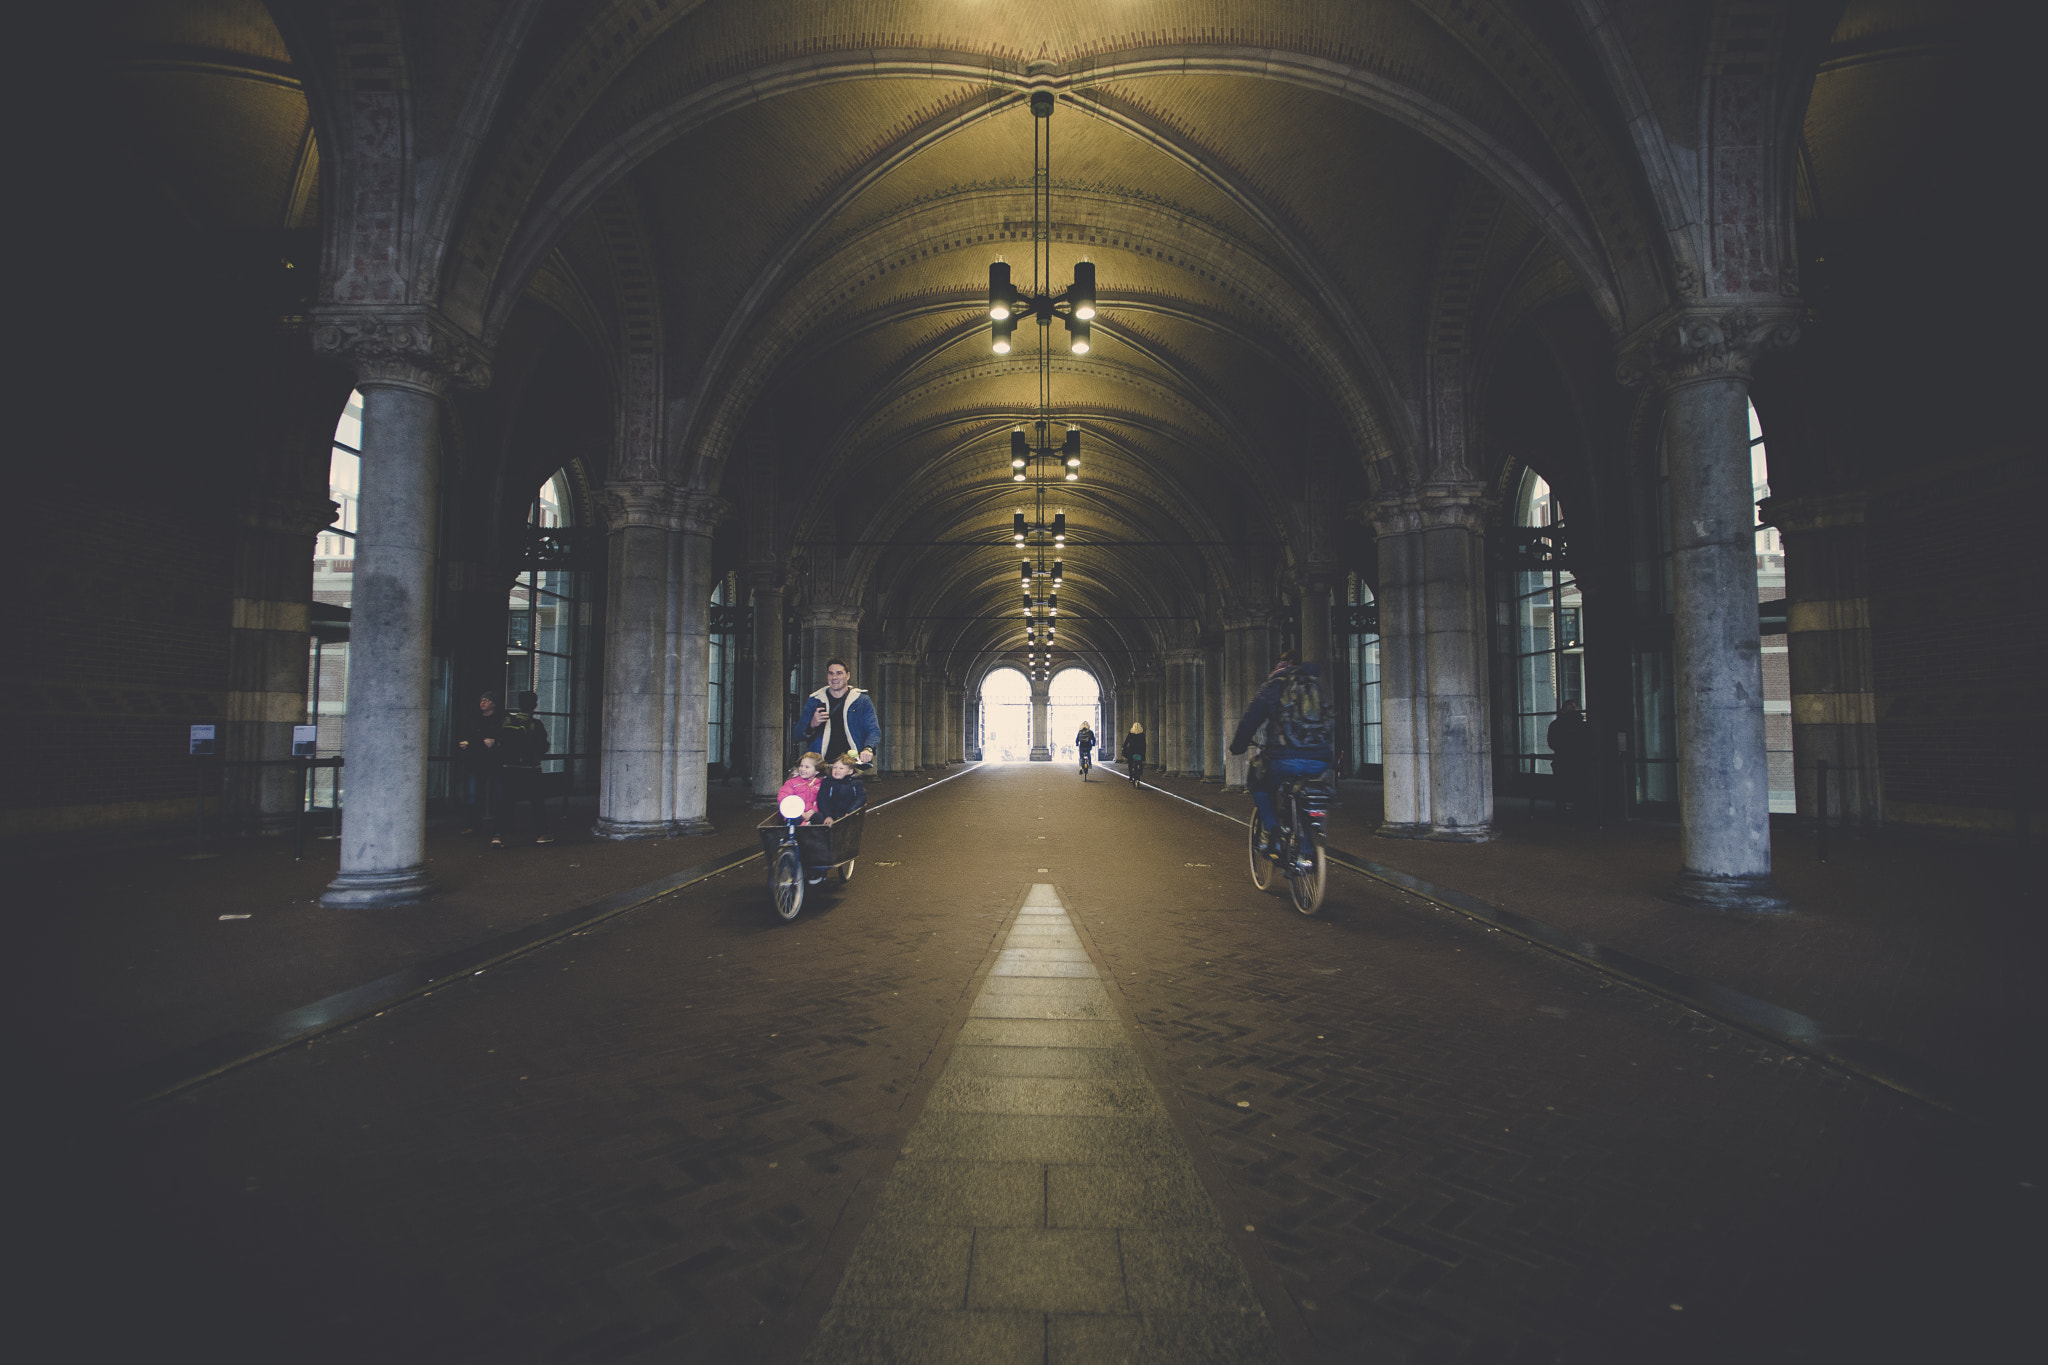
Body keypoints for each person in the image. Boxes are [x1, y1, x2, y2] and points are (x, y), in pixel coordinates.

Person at [1229, 649, 1335, 856]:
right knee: (1308, 793)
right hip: (1319, 758)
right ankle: (1305, 846)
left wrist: (1238, 746)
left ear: (1281, 664)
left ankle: (1273, 832)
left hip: (1284, 758)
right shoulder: (1315, 686)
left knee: (1260, 786)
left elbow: (1251, 719)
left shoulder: (1274, 686)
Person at [490, 691, 553, 847]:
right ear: (534, 705)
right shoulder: (535, 724)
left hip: (508, 768)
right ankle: (541, 834)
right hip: (530, 769)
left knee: (505, 802)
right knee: (537, 802)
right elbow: (543, 747)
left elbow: (498, 740)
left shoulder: (507, 720)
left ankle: (497, 835)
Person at [793, 657, 878, 774]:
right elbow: (798, 734)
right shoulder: (815, 700)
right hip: (822, 765)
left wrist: (868, 748)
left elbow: (873, 729)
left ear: (847, 676)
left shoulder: (861, 700)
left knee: (849, 791)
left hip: (849, 764)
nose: (834, 677)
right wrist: (812, 724)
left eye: (839, 673)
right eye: (831, 673)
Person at [807, 752, 867, 885]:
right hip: (830, 813)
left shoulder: (855, 783)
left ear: (850, 771)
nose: (836, 771)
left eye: (841, 768)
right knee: (818, 819)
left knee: (839, 830)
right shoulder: (827, 782)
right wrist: (827, 815)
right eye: (834, 768)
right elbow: (822, 799)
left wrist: (850, 813)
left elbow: (860, 798)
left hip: (845, 814)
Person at [455, 691, 504, 835]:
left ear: (494, 703)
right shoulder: (474, 720)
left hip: (494, 762)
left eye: (487, 700)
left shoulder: (500, 720)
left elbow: (505, 738)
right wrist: (466, 744)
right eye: (481, 700)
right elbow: (469, 737)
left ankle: (501, 825)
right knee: (473, 794)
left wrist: (496, 743)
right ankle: (473, 825)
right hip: (477, 762)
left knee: (498, 793)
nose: (483, 703)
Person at [1547, 699, 1594, 817]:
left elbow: (1552, 743)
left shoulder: (1556, 725)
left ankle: (1562, 810)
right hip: (1578, 760)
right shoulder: (1581, 725)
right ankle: (1577, 809)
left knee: (1562, 787)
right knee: (1577, 786)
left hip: (1562, 759)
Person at [778, 752, 824, 819]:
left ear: (817, 771)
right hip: (795, 813)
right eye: (801, 766)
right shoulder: (792, 782)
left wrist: (814, 810)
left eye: (807, 767)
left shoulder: (821, 784)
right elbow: (783, 797)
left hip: (813, 814)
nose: (802, 769)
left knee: (819, 818)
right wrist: (798, 812)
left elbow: (823, 800)